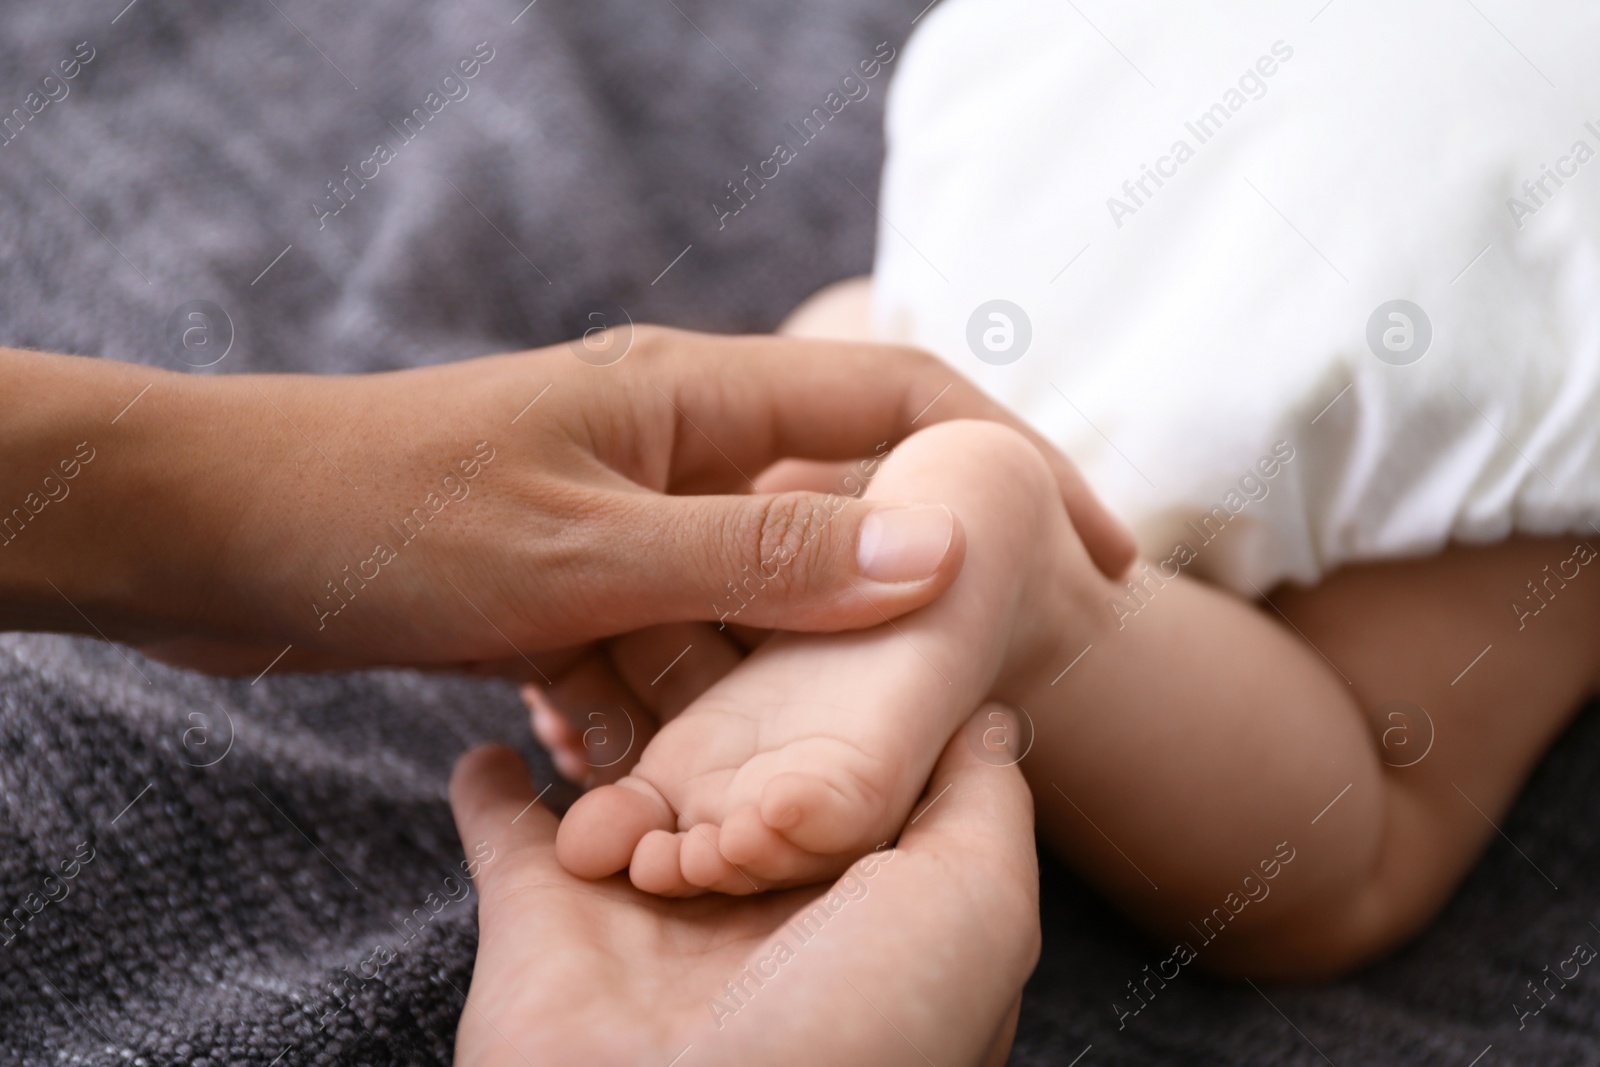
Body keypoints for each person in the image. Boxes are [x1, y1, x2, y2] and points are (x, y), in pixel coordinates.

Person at [531, 0, 1600, 987]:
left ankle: (781, 496)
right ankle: (1040, 589)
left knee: (919, 326)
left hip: (1111, 81)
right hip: (1479, 188)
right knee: (1364, 824)